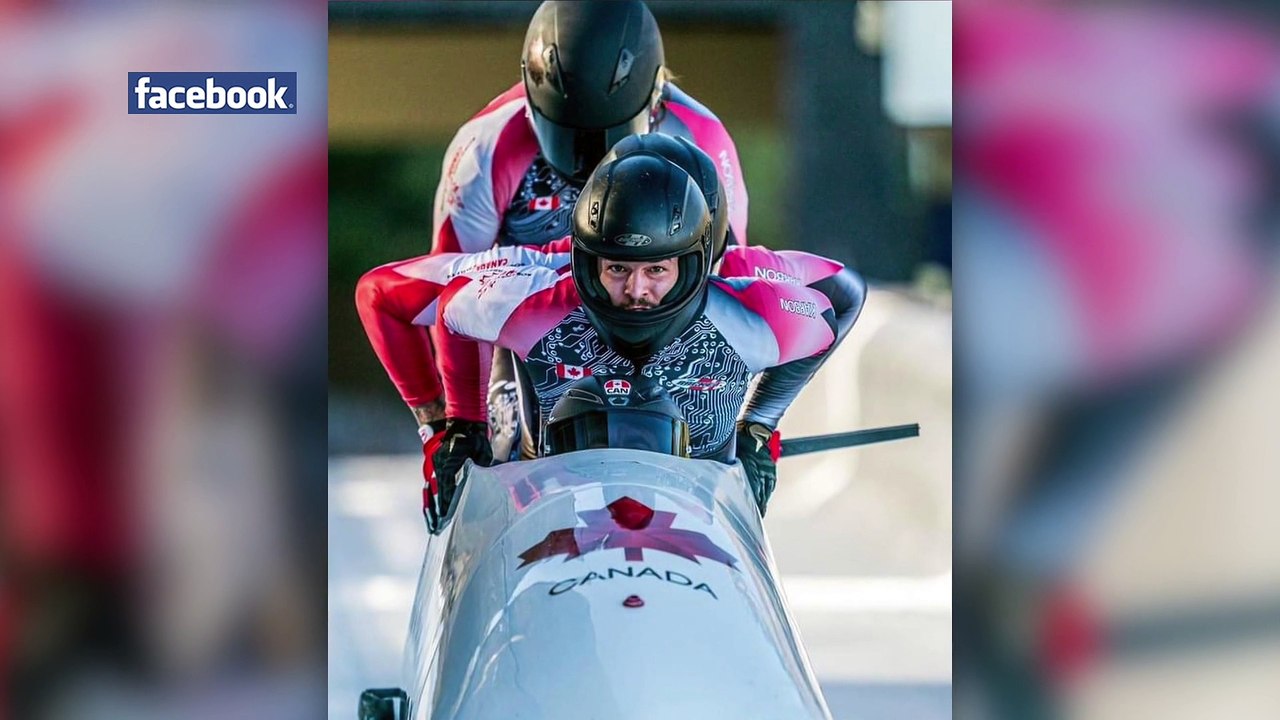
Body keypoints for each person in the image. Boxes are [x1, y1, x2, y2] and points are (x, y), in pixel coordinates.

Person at [358, 153, 863, 531]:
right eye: (617, 267)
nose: (636, 292)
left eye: (657, 271)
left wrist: (759, 424)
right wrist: (448, 428)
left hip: (695, 515)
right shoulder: (523, 295)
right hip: (547, 509)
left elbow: (844, 295)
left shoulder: (753, 306)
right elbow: (380, 295)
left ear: (695, 261)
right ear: (585, 257)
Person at [424, 0, 750, 463]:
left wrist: (744, 422)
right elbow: (451, 288)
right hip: (539, 327)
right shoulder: (485, 148)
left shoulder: (702, 139)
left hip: (662, 321)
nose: (586, 165)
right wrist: (459, 422)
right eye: (567, 137)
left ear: (654, 100)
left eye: (611, 136)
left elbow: (723, 276)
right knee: (507, 449)